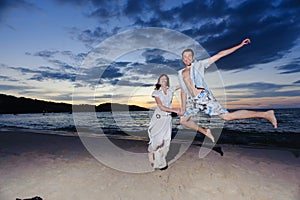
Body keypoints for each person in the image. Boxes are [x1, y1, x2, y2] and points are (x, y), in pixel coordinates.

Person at [178, 38, 277, 143]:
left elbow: (220, 54)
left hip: (204, 98)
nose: (187, 58)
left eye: (189, 56)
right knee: (183, 121)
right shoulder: (180, 73)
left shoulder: (199, 65)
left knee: (227, 117)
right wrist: (183, 107)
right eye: (184, 57)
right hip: (193, 101)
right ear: (182, 59)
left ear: (193, 58)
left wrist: (240, 45)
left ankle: (266, 114)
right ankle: (206, 132)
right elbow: (183, 91)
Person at [148, 74, 181, 170]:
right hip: (159, 118)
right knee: (158, 141)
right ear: (158, 81)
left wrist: (189, 77)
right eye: (162, 78)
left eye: (165, 78)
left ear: (167, 81)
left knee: (166, 142)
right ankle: (150, 151)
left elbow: (183, 85)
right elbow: (161, 106)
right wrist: (175, 110)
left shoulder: (171, 89)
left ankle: (160, 163)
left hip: (168, 119)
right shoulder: (156, 92)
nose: (164, 79)